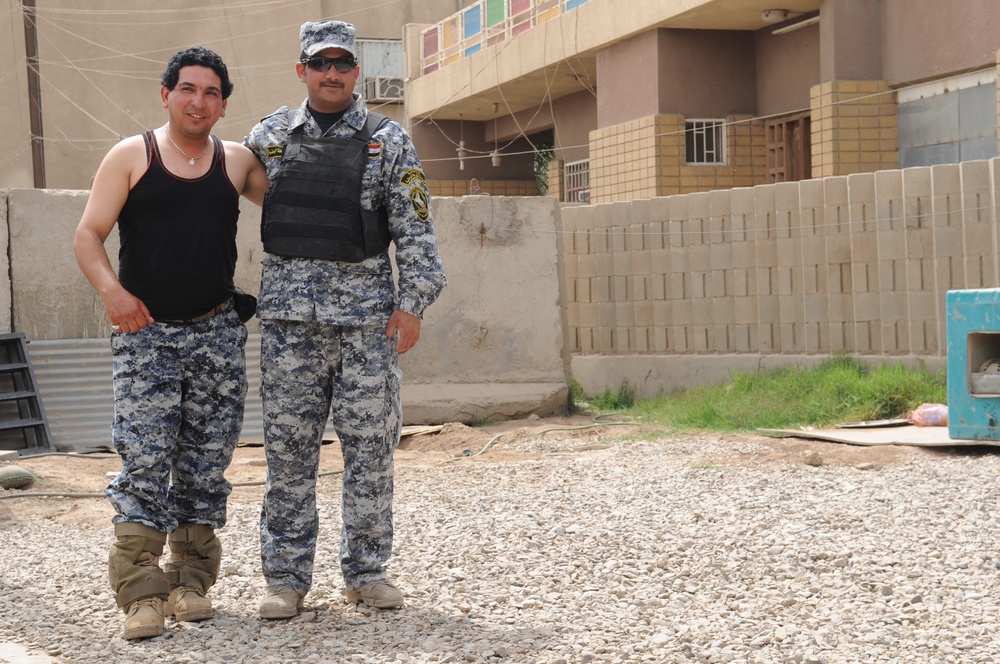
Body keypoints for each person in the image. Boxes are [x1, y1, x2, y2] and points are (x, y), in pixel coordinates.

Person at [242, 19, 446, 619]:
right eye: (320, 62)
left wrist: (412, 305)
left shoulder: (390, 140)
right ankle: (285, 580)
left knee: (370, 452)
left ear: (356, 72)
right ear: (300, 69)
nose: (332, 73)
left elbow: (414, 229)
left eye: (343, 63)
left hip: (366, 325)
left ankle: (366, 572)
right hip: (289, 327)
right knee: (287, 455)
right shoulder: (269, 137)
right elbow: (220, 188)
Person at [73, 46, 270, 641]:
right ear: (166, 94)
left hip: (216, 333)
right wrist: (113, 293)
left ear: (223, 104)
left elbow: (298, 202)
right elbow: (88, 234)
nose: (198, 101)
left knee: (206, 464)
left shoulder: (236, 162)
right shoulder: (132, 155)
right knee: (144, 463)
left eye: (211, 93)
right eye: (188, 89)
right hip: (147, 335)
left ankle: (190, 583)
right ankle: (140, 596)